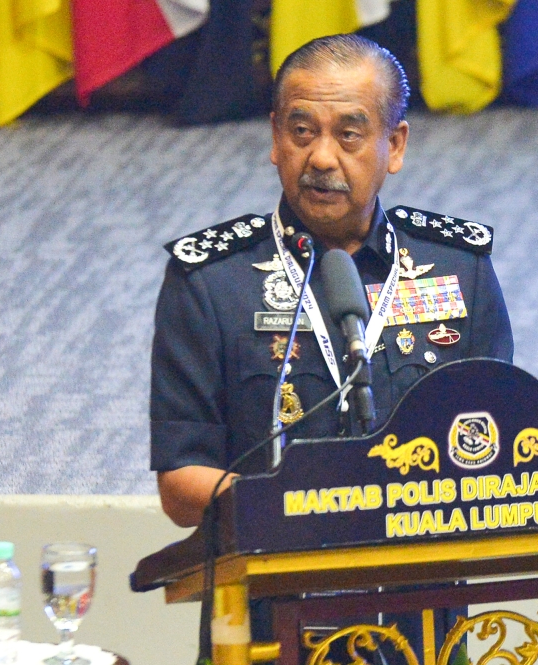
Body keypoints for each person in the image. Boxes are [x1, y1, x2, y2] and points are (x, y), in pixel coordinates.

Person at [150, 34, 513, 529]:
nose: (321, 158)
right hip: (275, 589)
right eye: (302, 131)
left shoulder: (457, 268)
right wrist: (313, 509)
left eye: (348, 135)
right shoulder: (211, 281)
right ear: (276, 139)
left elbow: (502, 442)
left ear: (395, 145)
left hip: (427, 587)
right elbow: (180, 483)